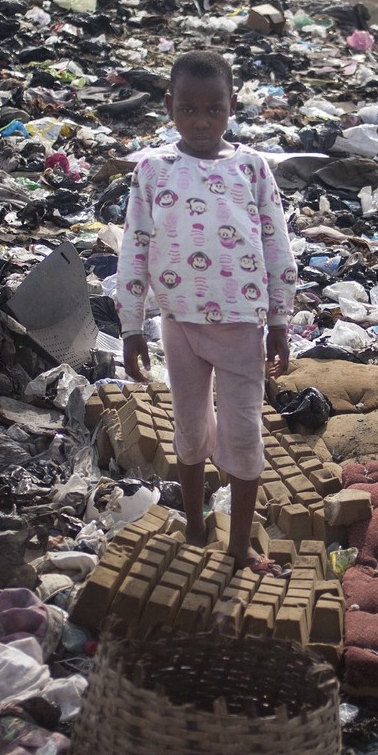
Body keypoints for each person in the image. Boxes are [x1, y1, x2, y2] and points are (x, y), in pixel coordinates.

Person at [117, 49, 298, 567]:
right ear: (170, 106)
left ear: (232, 106)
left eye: (213, 110)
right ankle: (195, 526)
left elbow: (275, 243)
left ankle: (239, 550)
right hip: (178, 323)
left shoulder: (252, 167)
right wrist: (131, 326)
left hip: (243, 325)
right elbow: (136, 246)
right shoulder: (153, 170)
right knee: (190, 428)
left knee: (243, 434)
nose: (201, 121)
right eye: (189, 109)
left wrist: (281, 319)